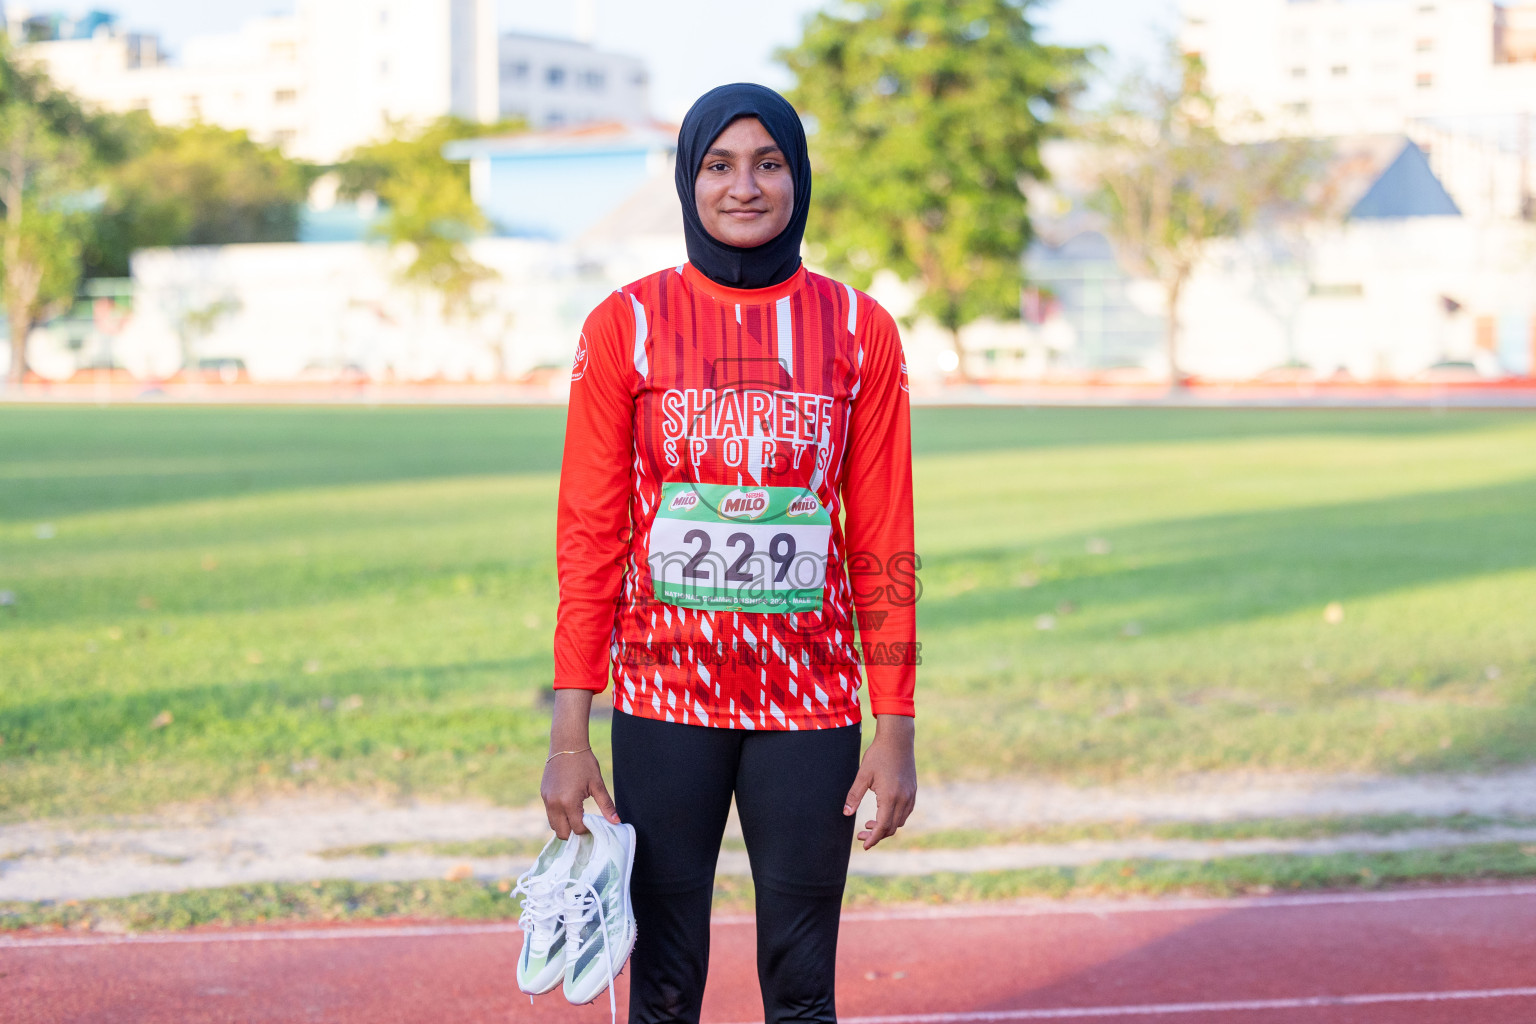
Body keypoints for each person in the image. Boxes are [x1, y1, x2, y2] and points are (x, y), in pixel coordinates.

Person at [543, 82, 918, 1024]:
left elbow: (883, 535)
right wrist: (567, 732)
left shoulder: (860, 330)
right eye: (719, 165)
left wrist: (897, 720)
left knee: (801, 985)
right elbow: (592, 535)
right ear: (688, 179)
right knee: (663, 982)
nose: (743, 187)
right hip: (667, 697)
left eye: (768, 163)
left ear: (799, 176)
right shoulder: (623, 326)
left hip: (812, 702)